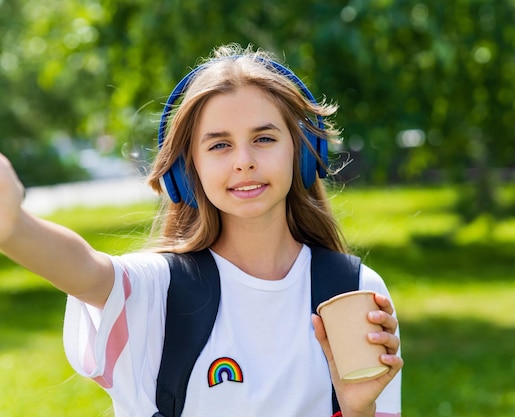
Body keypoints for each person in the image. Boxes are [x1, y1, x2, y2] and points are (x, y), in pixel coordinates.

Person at [0, 43, 402, 417]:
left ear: (301, 154)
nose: (244, 161)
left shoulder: (353, 291)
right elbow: (85, 270)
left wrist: (357, 410)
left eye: (264, 138)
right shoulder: (159, 289)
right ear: (187, 171)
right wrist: (15, 227)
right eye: (219, 145)